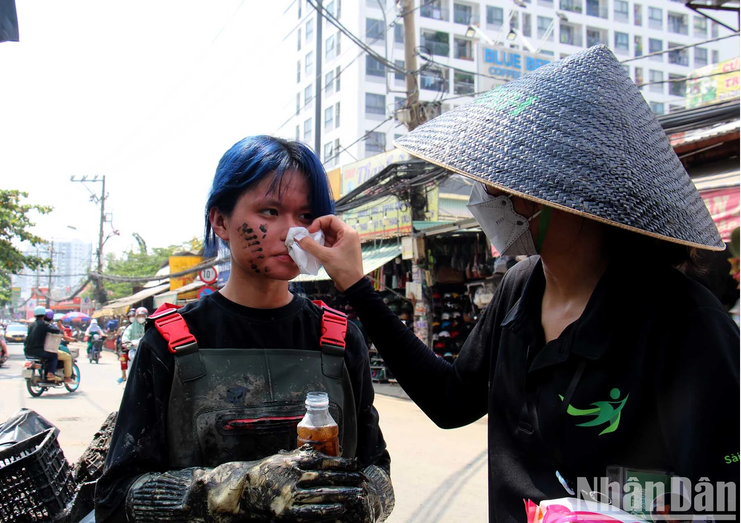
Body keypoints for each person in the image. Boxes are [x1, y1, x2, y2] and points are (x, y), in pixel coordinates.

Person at [297, 46, 740, 523]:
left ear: (556, 195)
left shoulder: (686, 324)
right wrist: (356, 284)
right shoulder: (519, 288)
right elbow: (451, 401)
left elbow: (721, 495)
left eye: (498, 184)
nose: (484, 198)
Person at [96, 136, 394, 523]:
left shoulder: (341, 338)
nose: (294, 234)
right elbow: (117, 498)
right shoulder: (168, 341)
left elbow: (377, 470)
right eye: (270, 211)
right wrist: (240, 489)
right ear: (220, 221)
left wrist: (365, 500)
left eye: (307, 216)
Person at [23, 306, 62, 383]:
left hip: (27, 351)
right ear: (44, 315)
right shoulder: (44, 324)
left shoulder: (31, 325)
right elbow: (56, 330)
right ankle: (50, 374)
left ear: (34, 315)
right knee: (54, 356)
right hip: (38, 351)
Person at [117, 306, 146, 383]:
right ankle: (130, 379)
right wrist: (127, 342)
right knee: (131, 357)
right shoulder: (131, 327)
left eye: (143, 316)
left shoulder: (148, 326)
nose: (141, 318)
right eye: (139, 316)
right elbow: (125, 337)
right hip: (134, 349)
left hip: (146, 350)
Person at [45, 310, 73, 383]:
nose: (59, 323)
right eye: (58, 321)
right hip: (48, 349)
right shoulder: (51, 327)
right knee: (66, 357)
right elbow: (64, 336)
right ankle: (67, 378)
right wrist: (73, 339)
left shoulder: (36, 325)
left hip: (35, 350)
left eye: (60, 322)